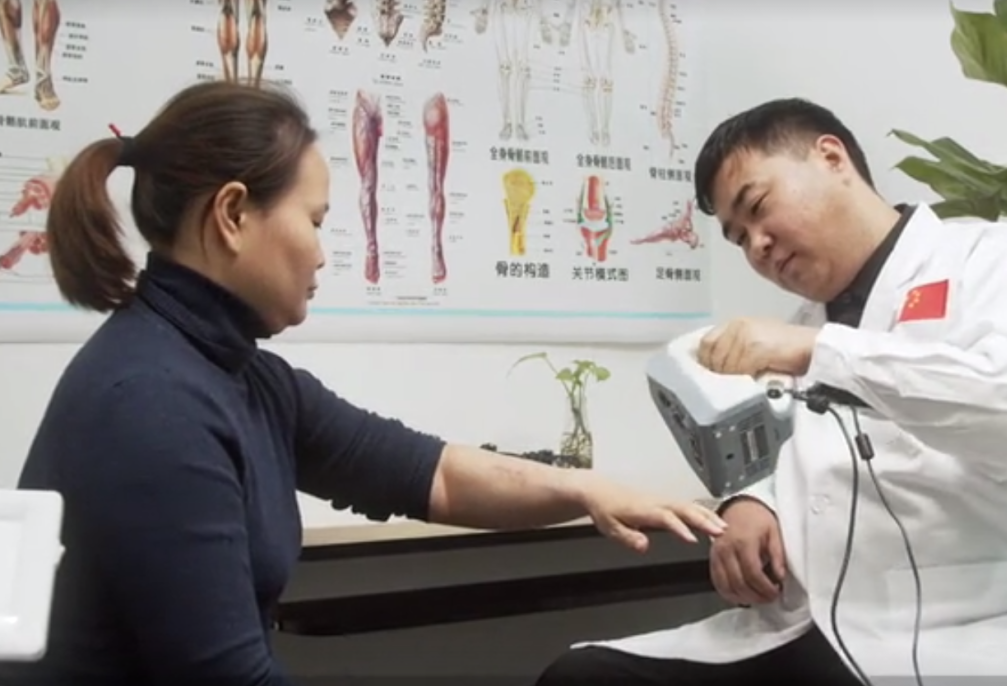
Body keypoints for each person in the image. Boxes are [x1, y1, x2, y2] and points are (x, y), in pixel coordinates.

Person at [0, 80, 727, 685]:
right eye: (315, 221)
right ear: (232, 215)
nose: (323, 253)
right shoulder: (151, 404)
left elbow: (431, 474)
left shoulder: (244, 378)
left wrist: (584, 490)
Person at [534, 98, 1007, 683]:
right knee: (583, 676)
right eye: (739, 238)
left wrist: (819, 352)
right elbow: (796, 460)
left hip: (976, 626)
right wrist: (751, 503)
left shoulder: (990, 257)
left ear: (831, 158)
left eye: (757, 207)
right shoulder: (804, 328)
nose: (757, 246)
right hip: (812, 624)